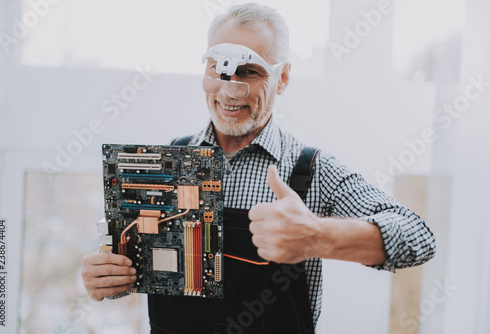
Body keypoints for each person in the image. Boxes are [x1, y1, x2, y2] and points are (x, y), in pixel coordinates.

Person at [81, 3, 436, 333]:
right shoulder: (168, 162)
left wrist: (317, 236)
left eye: (248, 72)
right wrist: (107, 280)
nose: (230, 91)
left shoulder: (311, 172)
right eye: (217, 70)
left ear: (282, 79)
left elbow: (419, 239)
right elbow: (136, 268)